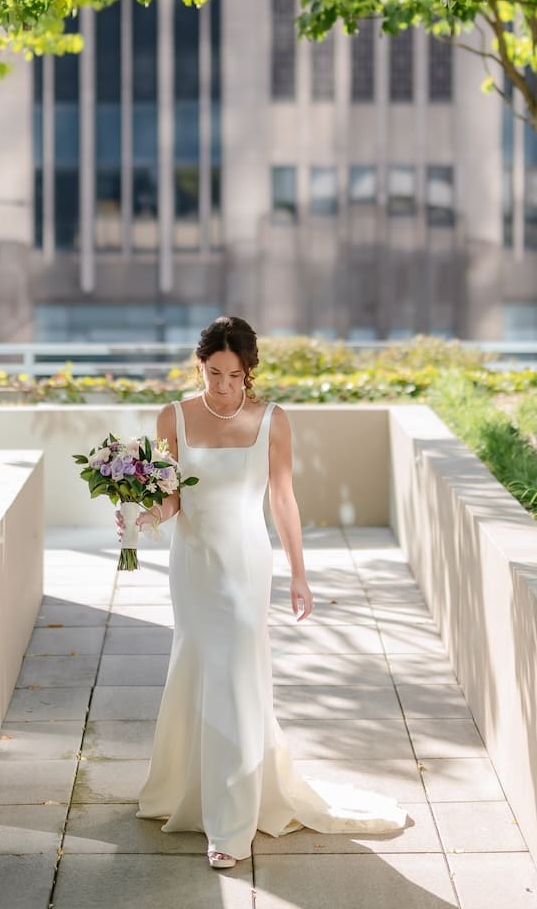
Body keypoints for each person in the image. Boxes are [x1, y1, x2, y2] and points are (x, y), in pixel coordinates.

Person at [128, 316, 408, 868]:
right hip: (193, 565)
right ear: (200, 365)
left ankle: (230, 828)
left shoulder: (273, 421)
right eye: (214, 373)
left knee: (236, 676)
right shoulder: (173, 418)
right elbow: (170, 500)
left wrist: (299, 573)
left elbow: (283, 499)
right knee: (196, 667)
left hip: (246, 564)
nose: (224, 385)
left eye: (235, 375)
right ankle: (188, 792)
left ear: (249, 372)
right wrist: (137, 519)